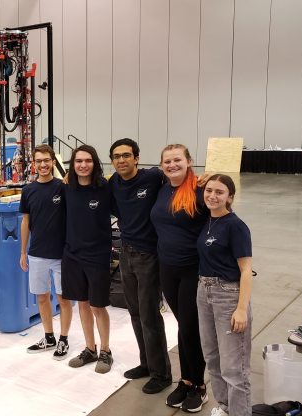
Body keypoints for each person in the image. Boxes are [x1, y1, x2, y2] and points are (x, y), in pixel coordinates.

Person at [108, 138, 172, 394]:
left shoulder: (153, 177)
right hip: (125, 253)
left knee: (149, 315)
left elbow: (179, 177)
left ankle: (162, 374)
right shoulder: (113, 183)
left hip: (149, 256)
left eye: (126, 155)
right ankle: (146, 364)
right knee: (134, 313)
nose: (121, 160)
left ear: (136, 158)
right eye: (116, 156)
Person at [150, 144, 208, 413]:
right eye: (167, 161)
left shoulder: (200, 189)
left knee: (189, 327)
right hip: (167, 269)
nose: (172, 165)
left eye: (177, 160)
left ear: (189, 161)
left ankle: (198, 385)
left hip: (192, 270)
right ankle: (186, 380)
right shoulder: (163, 187)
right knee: (183, 326)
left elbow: (221, 218)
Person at [196, 174, 253, 416]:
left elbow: (246, 270)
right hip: (204, 292)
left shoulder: (235, 225)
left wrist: (241, 309)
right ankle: (226, 407)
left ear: (230, 197)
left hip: (228, 294)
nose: (212, 195)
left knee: (234, 367)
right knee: (212, 358)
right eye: (209, 190)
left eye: (219, 192)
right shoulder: (208, 220)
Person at [61, 145, 115, 373]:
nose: (83, 165)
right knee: (82, 303)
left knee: (97, 305)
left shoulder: (105, 188)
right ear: (73, 164)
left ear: (95, 163)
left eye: (88, 160)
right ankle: (90, 348)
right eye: (78, 161)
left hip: (98, 255)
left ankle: (105, 350)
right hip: (72, 255)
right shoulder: (66, 188)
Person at [19, 144, 73, 360]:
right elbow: (26, 222)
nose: (43, 165)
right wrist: (23, 252)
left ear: (53, 161)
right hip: (37, 253)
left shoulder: (64, 187)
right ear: (34, 163)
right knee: (42, 297)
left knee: (64, 299)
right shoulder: (28, 190)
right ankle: (49, 337)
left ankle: (64, 338)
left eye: (46, 160)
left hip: (61, 255)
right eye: (39, 161)